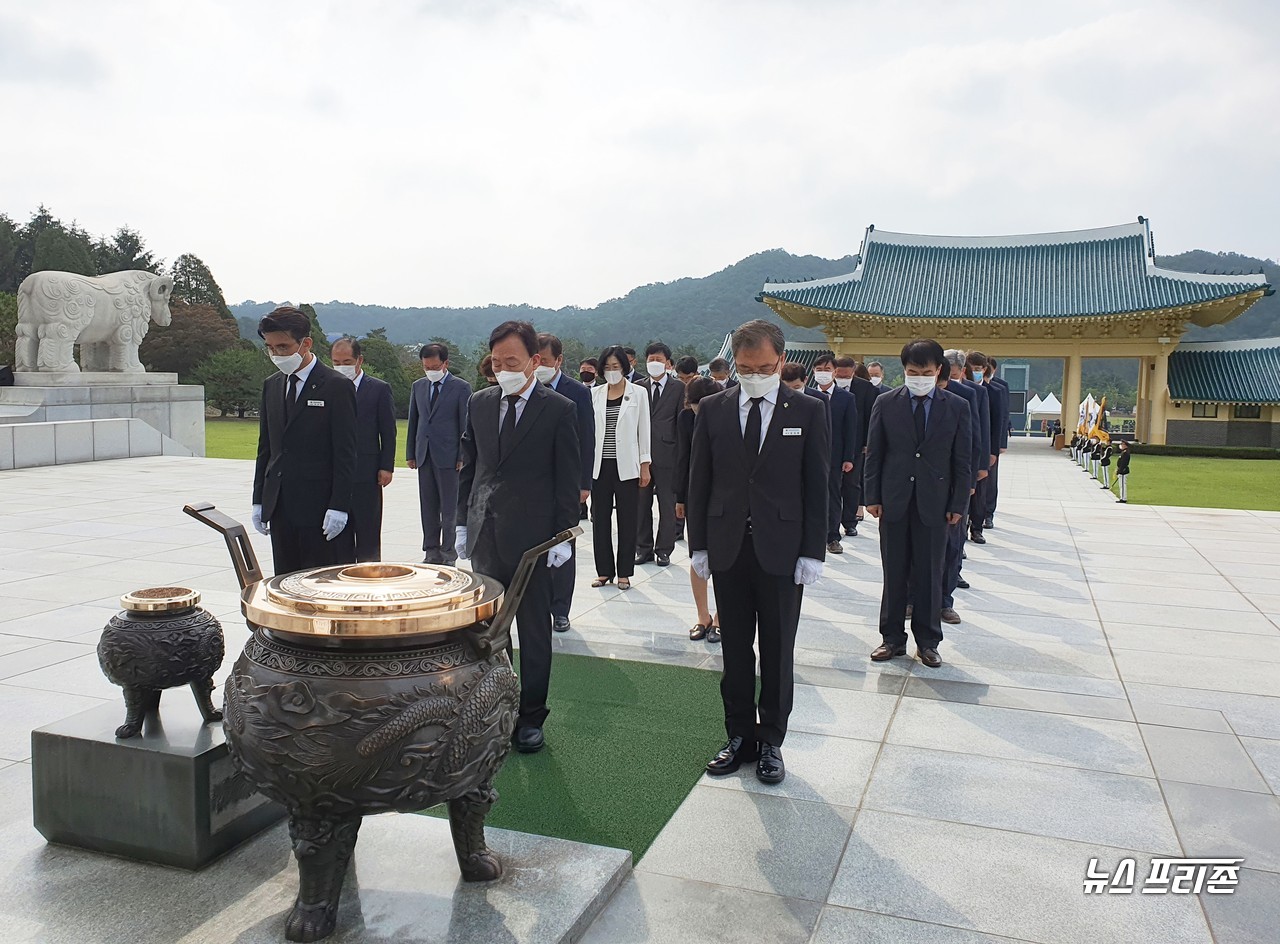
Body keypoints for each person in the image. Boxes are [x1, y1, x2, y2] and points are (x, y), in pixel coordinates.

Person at [688, 319, 829, 786]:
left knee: (776, 649)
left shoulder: (808, 411)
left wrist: (812, 552)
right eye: (746, 369)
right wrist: (699, 546)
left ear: (781, 362)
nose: (754, 375)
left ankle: (771, 741)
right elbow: (700, 480)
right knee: (734, 650)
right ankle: (738, 737)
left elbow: (816, 485)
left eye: (764, 367)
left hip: (782, 551)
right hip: (729, 547)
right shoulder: (713, 408)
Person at [456, 320, 580, 754]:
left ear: (535, 361)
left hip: (533, 543)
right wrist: (459, 522)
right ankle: (493, 707)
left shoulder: (559, 408)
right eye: (496, 361)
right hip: (485, 532)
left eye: (511, 361)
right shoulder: (479, 403)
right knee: (487, 631)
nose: (502, 368)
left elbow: (567, 479)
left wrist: (563, 537)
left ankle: (531, 717)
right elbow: (470, 469)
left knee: (532, 631)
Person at [864, 338, 971, 669]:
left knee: (929, 573)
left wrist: (958, 504)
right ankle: (891, 639)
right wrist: (872, 497)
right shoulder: (886, 402)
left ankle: (928, 641)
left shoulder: (956, 406)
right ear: (904, 370)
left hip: (936, 503)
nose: (919, 377)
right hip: (894, 500)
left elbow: (962, 460)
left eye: (926, 372)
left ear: (939, 371)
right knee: (894, 572)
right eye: (912, 371)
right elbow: (875, 453)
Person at [251, 306, 357, 575]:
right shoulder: (272, 384)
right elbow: (267, 447)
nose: (277, 354)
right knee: (285, 584)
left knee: (321, 586)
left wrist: (339, 506)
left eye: (284, 346)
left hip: (320, 508)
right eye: (270, 347)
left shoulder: (336, 386)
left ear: (306, 343)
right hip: (281, 506)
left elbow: (346, 452)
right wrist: (259, 499)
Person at [537, 333, 594, 631]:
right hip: (533, 482)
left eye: (545, 361)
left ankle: (561, 609)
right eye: (536, 360)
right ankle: (537, 604)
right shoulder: (526, 387)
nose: (539, 366)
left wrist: (585, 484)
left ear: (559, 361)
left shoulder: (578, 392)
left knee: (562, 546)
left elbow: (587, 440)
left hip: (567, 482)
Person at [590, 346, 652, 591]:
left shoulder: (639, 393)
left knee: (627, 519)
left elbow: (644, 430)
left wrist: (645, 465)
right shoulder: (595, 394)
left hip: (627, 466)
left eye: (616, 367)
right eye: (607, 367)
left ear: (625, 368)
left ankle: (625, 572)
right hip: (600, 465)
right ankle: (604, 571)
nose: (612, 371)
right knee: (600, 519)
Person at [330, 338, 396, 562]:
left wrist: (386, 466)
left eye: (346, 361)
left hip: (366, 472)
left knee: (367, 531)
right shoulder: (327, 388)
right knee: (338, 535)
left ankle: (369, 577)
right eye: (336, 362)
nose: (341, 367)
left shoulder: (378, 389)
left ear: (359, 360)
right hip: (334, 473)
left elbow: (388, 431)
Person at [407, 342, 472, 565]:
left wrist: (462, 456)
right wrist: (411, 453)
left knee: (449, 507)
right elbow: (414, 421)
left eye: (434, 366)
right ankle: (430, 550)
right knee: (428, 505)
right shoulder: (418, 386)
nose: (430, 370)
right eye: (426, 367)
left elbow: (465, 423)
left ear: (445, 363)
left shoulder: (461, 388)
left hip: (449, 455)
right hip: (424, 453)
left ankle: (448, 553)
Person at [675, 377, 722, 642]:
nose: (698, 409)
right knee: (697, 554)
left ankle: (720, 617)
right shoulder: (685, 419)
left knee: (724, 556)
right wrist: (680, 496)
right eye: (694, 404)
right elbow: (683, 457)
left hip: (725, 495)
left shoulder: (728, 414)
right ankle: (702, 615)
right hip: (695, 493)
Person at [940, 349, 985, 623]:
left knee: (952, 543)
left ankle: (946, 600)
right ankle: (911, 598)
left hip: (954, 481)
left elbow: (973, 439)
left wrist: (969, 480)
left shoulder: (968, 396)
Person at [635, 342, 685, 567]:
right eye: (651, 359)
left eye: (659, 360)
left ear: (668, 363)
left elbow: (681, 423)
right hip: (641, 455)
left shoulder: (679, 388)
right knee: (640, 504)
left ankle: (664, 550)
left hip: (668, 454)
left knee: (667, 505)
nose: (654, 363)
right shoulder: (637, 387)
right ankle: (642, 548)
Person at [810, 355, 860, 553]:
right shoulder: (807, 395)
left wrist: (849, 457)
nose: (823, 372)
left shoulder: (846, 398)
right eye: (819, 369)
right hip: (811, 453)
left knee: (833, 495)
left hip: (835, 456)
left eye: (827, 368)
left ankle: (832, 537)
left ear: (834, 371)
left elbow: (851, 429)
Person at [831, 355, 878, 536]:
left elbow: (870, 417)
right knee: (832, 485)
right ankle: (832, 523)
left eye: (845, 374)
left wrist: (868, 442)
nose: (841, 377)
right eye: (839, 374)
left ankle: (849, 521)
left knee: (852, 483)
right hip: (833, 443)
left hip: (856, 444)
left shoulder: (866, 389)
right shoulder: (827, 388)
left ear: (853, 371)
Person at [965, 351, 998, 545]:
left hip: (983, 447)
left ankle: (977, 527)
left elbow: (991, 425)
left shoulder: (991, 391)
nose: (975, 372)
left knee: (981, 489)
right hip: (964, 446)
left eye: (978, 369)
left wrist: (993, 451)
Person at [983, 358, 1011, 528]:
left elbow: (1003, 415)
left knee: (990, 479)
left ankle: (988, 513)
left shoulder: (1000, 387)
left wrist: (1001, 443)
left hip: (992, 439)